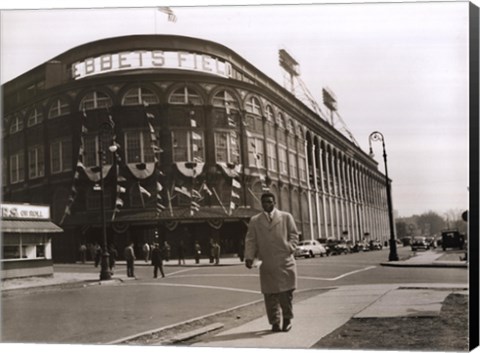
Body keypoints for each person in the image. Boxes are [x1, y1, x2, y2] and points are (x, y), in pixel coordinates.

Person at [244, 192, 299, 333]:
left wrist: (290, 247)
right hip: (266, 263)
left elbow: (294, 235)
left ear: (274, 202)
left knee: (285, 294)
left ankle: (287, 320)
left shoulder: (286, 217)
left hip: (284, 261)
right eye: (264, 202)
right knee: (270, 295)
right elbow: (251, 240)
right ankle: (274, 322)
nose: (266, 204)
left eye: (269, 201)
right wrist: (249, 257)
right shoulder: (255, 220)